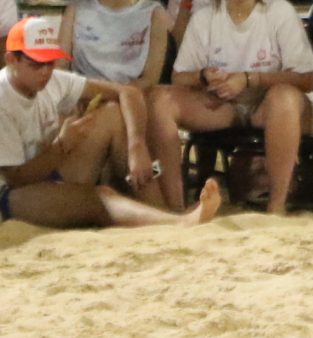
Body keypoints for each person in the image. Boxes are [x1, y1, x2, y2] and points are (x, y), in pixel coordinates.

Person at [147, 0, 313, 216]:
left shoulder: (279, 12)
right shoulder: (205, 18)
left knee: (284, 97)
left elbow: (306, 79)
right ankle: (176, 208)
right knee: (159, 99)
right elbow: (180, 77)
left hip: (273, 105)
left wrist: (250, 79)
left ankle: (277, 207)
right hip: (225, 105)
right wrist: (205, 76)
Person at [2, 17, 216, 229]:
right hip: (12, 194)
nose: (45, 72)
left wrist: (136, 146)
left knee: (114, 114)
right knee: (99, 198)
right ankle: (176, 222)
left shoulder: (54, 80)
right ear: (11, 60)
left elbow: (128, 93)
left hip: (48, 167)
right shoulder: (4, 99)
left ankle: (166, 213)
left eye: (50, 62)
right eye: (36, 64)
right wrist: (62, 146)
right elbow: (15, 179)